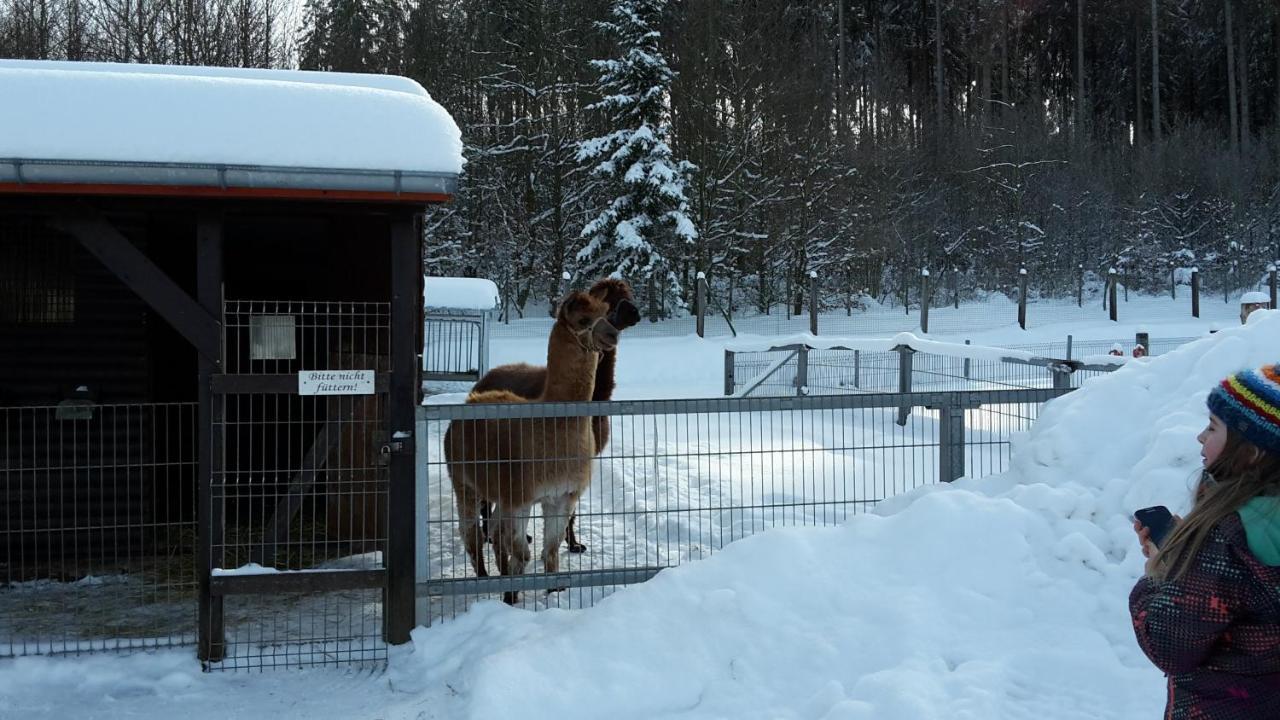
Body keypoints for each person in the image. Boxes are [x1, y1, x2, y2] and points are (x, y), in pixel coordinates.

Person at [1130, 362, 1280, 719]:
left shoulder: (1227, 539)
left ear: (1252, 451)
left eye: (1212, 427)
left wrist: (1163, 571)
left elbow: (1169, 644)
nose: (1200, 436)